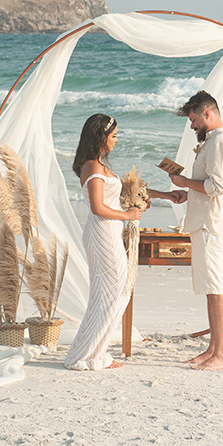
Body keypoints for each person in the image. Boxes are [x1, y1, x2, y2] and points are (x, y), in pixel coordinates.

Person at [63, 113, 180, 370]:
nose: (117, 140)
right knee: (112, 292)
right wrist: (128, 215)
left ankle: (95, 352)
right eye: (113, 135)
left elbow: (125, 194)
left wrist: (166, 196)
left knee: (114, 292)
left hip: (111, 231)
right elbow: (97, 207)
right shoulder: (92, 167)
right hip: (102, 232)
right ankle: (88, 354)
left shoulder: (100, 166)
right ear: (101, 137)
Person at [168, 90, 223, 371]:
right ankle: (213, 349)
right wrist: (188, 192)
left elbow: (220, 187)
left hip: (211, 224)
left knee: (216, 288)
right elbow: (208, 186)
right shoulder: (213, 142)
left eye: (194, 119)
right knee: (212, 289)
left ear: (207, 113)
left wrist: (186, 182)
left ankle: (221, 355)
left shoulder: (221, 143)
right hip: (205, 221)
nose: (192, 125)